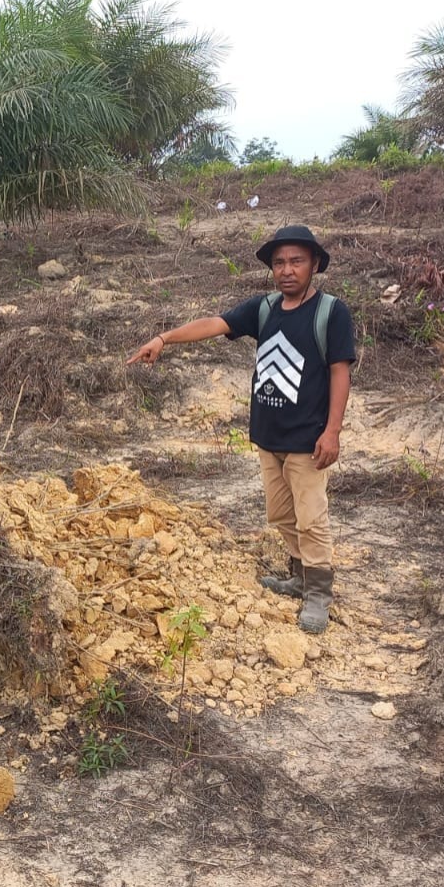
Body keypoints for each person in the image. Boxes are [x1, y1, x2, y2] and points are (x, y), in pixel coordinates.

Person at [127, 224, 356, 634]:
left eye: (296, 261)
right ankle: (299, 576)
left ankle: (319, 593)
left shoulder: (330, 313)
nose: (287, 270)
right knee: (283, 515)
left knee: (311, 518)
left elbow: (340, 373)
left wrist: (333, 431)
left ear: (315, 265)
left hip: (309, 438)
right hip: (270, 436)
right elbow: (213, 324)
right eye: (279, 262)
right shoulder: (263, 308)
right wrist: (164, 339)